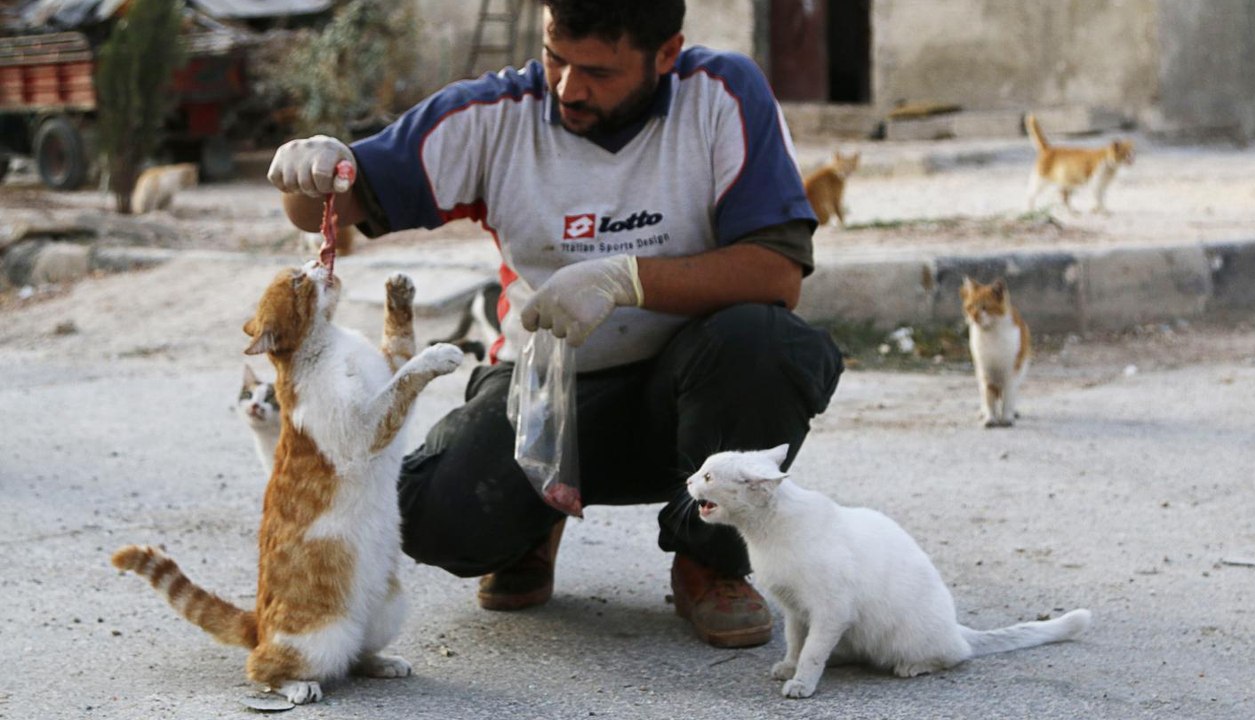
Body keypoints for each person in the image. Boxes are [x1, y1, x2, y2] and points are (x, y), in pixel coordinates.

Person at [266, 0, 843, 649]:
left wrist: (623, 280)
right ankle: (530, 525)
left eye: (597, 71)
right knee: (430, 517)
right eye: (555, 58)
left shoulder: (722, 97)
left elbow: (777, 273)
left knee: (764, 344)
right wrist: (307, 172)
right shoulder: (495, 115)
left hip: (690, 395)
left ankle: (710, 560)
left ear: (665, 55)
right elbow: (340, 193)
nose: (568, 88)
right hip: (542, 394)